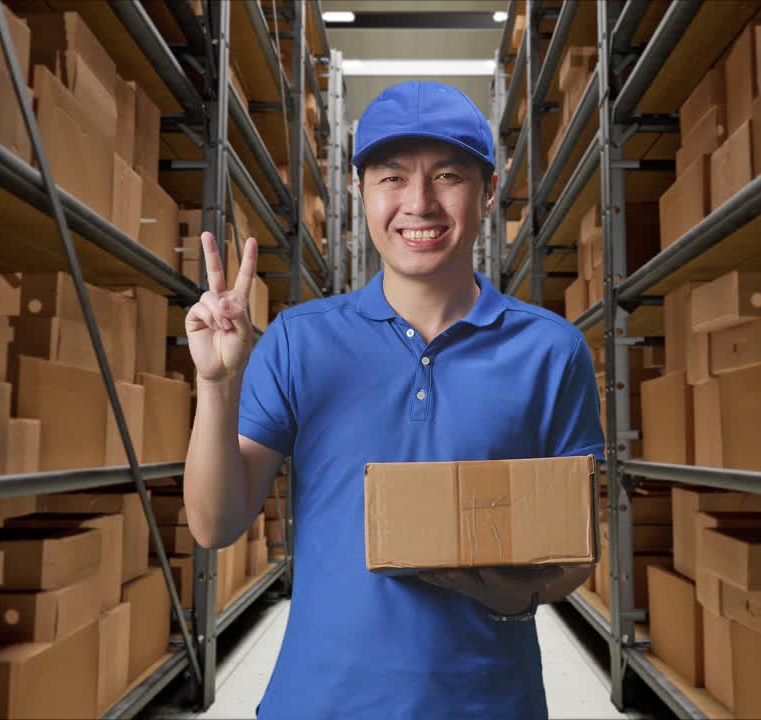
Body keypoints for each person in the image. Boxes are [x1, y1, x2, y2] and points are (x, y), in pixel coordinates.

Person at [183, 80, 604, 719]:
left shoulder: (551, 351)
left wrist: (517, 595)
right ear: (359, 192)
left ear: (487, 192)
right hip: (319, 702)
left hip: (488, 704)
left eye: (448, 176)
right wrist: (215, 385)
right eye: (391, 177)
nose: (419, 203)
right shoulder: (300, 340)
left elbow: (575, 548)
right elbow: (215, 524)